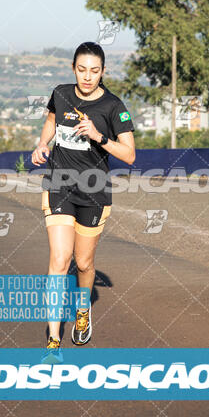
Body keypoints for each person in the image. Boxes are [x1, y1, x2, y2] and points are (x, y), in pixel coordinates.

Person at [32, 41, 135, 359]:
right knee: (60, 261)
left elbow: (129, 155)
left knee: (84, 263)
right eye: (81, 69)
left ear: (103, 72)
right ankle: (52, 342)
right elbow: (51, 120)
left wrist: (99, 136)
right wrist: (41, 144)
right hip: (59, 186)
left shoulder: (113, 107)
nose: (87, 77)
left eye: (94, 71)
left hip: (94, 193)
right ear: (73, 69)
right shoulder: (61, 93)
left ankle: (82, 311)